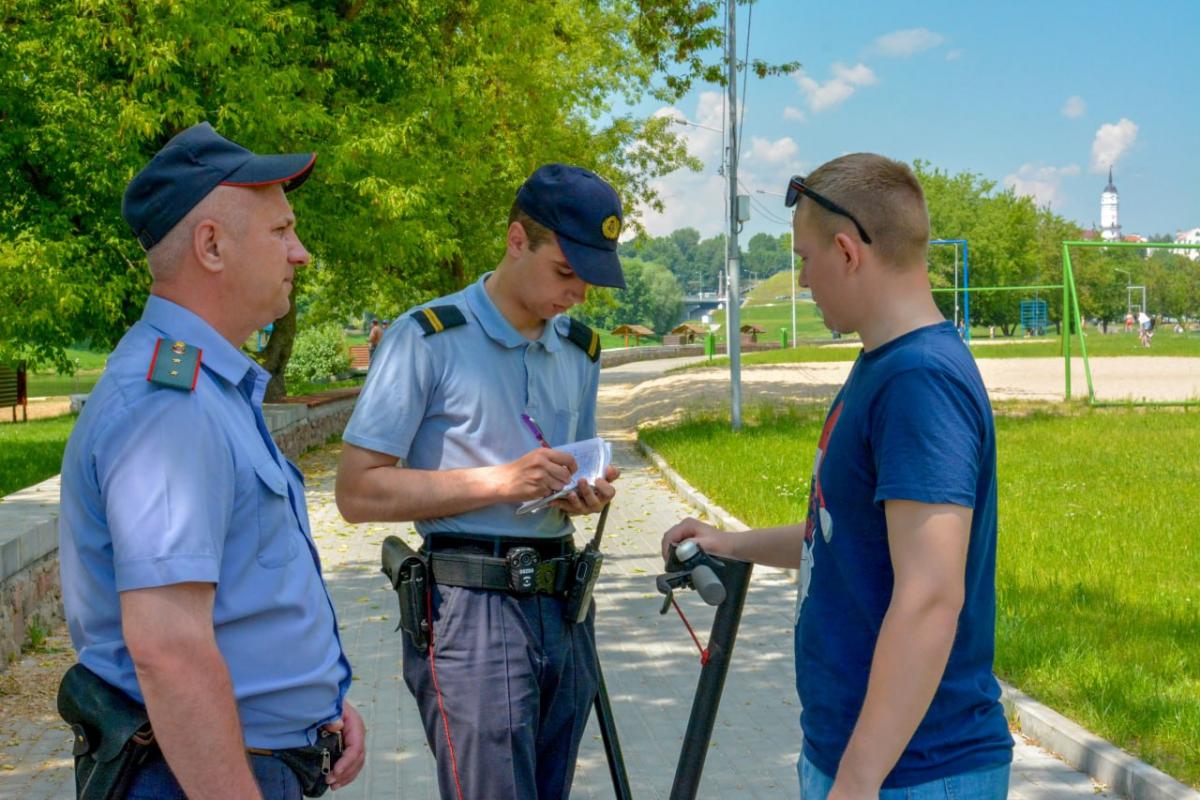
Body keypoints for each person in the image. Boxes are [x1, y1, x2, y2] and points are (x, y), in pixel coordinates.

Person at [662, 154, 1013, 800]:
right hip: (862, 759)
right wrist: (727, 542)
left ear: (848, 252)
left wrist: (856, 779)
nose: (801, 279)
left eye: (804, 258)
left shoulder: (918, 381)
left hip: (913, 773)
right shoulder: (883, 366)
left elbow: (930, 595)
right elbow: (839, 535)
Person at [58, 122, 365, 799]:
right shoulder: (168, 406)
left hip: (241, 758)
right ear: (212, 246)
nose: (301, 253)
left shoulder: (206, 389)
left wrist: (314, 703)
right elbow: (169, 649)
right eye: (281, 231)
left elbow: (242, 589)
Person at [335, 163, 623, 800]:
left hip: (564, 602)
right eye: (565, 272)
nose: (577, 294)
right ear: (517, 240)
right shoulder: (426, 339)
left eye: (590, 279)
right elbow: (356, 492)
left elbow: (569, 471)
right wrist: (501, 482)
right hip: (471, 607)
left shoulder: (581, 350)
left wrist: (583, 494)